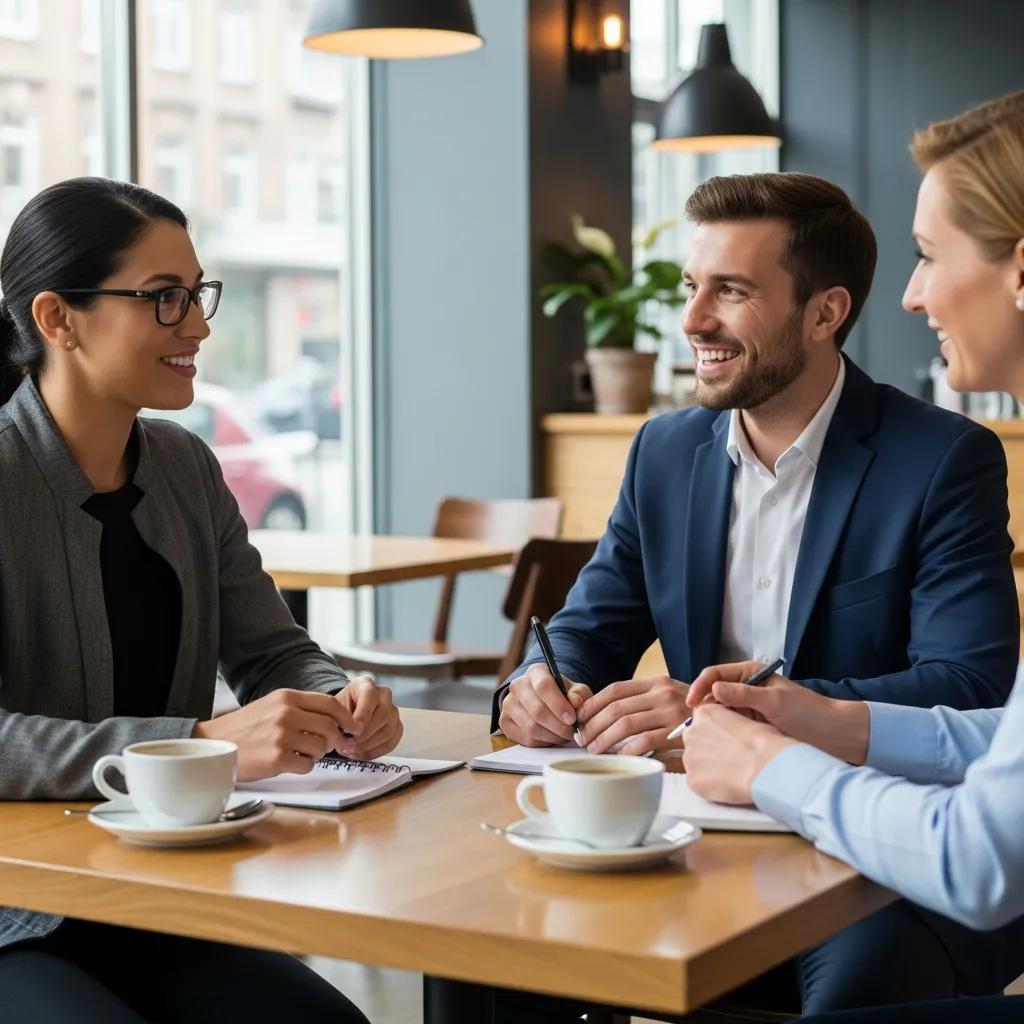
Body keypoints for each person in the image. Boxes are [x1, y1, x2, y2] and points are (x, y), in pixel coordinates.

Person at [492, 171, 1022, 1020]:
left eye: (731, 291)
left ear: (825, 312)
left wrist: (731, 715)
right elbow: (586, 630)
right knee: (512, 943)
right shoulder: (664, 453)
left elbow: (969, 690)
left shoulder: (943, 459)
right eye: (691, 287)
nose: (693, 319)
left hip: (885, 855)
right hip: (692, 831)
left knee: (858, 991)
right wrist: (536, 686)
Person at [0, 177, 402, 1023]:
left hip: (160, 893)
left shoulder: (185, 466)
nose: (199, 326)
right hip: (17, 912)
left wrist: (337, 699)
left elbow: (272, 649)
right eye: (164, 298)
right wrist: (197, 745)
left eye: (196, 293)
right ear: (58, 318)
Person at [683, 89, 1024, 1022]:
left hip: (915, 873)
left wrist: (769, 761)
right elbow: (1009, 741)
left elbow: (978, 858)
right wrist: (823, 720)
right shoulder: (666, 452)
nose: (911, 295)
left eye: (928, 255)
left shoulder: (945, 455)